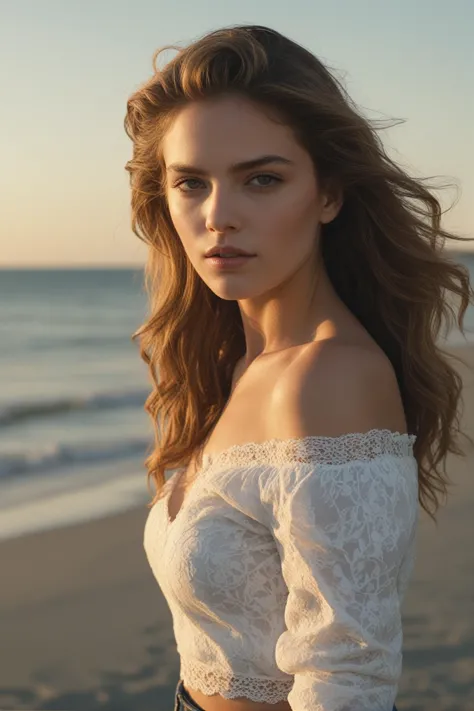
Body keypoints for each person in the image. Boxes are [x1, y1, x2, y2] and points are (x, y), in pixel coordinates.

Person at [124, 24, 474, 711]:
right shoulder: (231, 363)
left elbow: (348, 677)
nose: (218, 215)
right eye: (191, 183)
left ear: (328, 194)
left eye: (262, 179)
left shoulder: (327, 381)